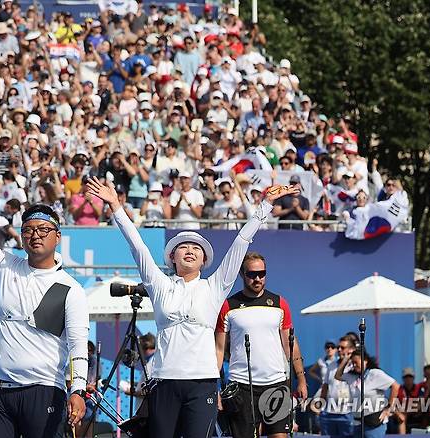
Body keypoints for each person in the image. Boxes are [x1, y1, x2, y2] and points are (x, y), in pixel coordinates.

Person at [86, 176, 297, 437]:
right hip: (164, 380)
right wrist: (116, 207)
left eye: (196, 248)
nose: (189, 250)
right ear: (172, 257)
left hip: (203, 383)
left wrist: (264, 205)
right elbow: (137, 246)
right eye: (182, 247)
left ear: (204, 258)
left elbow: (241, 242)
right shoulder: (159, 283)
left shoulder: (215, 286)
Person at [0, 166, 89, 438]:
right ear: (21, 236)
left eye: (43, 229)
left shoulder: (71, 289)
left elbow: (78, 345)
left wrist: (78, 390)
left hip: (44, 389)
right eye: (28, 230)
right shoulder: (5, 264)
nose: (35, 235)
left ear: (57, 236)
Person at [215, 251, 308, 438]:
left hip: (276, 383)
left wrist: (301, 378)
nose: (257, 279)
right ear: (242, 274)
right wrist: (214, 387)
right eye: (251, 274)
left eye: (262, 273)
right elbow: (218, 350)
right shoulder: (228, 306)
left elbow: (291, 344)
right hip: (241, 384)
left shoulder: (279, 303)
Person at [335, 349, 400, 438]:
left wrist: (388, 409)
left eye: (356, 362)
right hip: (358, 423)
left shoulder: (374, 374)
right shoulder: (352, 376)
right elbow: (337, 376)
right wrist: (346, 359)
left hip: (374, 423)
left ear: (365, 361)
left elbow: (395, 386)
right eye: (352, 363)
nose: (354, 365)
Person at [319, 336, 356, 437]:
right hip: (329, 414)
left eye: (342, 348)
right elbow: (325, 386)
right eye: (338, 347)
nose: (339, 350)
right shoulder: (331, 365)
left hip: (347, 414)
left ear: (351, 349)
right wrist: (321, 408)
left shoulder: (355, 366)